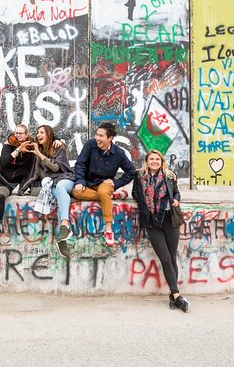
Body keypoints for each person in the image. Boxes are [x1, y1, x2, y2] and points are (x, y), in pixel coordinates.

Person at [132, 149, 189, 312]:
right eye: (152, 159)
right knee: (164, 258)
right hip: (151, 221)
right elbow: (135, 193)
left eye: (157, 159)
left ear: (161, 161)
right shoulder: (140, 176)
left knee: (171, 258)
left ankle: (174, 295)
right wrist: (146, 204)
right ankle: (177, 295)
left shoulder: (170, 176)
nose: (155, 161)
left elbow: (176, 193)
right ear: (147, 161)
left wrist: (176, 200)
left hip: (170, 219)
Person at [72, 122, 136, 247]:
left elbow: (131, 171)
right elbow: (80, 163)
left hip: (105, 183)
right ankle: (109, 197)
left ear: (110, 138)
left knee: (103, 192)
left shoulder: (119, 153)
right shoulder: (90, 145)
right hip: (88, 182)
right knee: (75, 192)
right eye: (96, 135)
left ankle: (108, 229)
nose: (97, 138)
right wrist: (79, 181)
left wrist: (116, 183)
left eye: (101, 136)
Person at [20, 125, 75, 258]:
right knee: (61, 199)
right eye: (37, 132)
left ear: (49, 135)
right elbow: (21, 137)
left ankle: (65, 224)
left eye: (42, 133)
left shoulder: (58, 148)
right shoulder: (38, 149)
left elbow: (56, 168)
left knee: (61, 188)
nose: (38, 135)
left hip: (66, 179)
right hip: (52, 183)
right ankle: (62, 236)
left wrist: (58, 141)